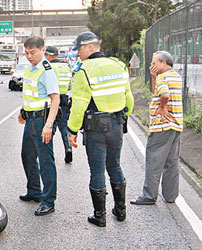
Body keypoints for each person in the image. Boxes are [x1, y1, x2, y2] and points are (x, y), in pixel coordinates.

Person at [68, 31, 134, 227]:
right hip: (116, 125)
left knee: (97, 170)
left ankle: (100, 216)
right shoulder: (119, 65)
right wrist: (122, 117)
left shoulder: (84, 70)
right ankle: (120, 211)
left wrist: (72, 131)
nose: (77, 54)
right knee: (114, 165)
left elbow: (79, 105)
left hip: (96, 129)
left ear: (89, 47)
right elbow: (128, 99)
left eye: (79, 49)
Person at [130, 51, 183, 205]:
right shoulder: (175, 76)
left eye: (154, 63)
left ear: (164, 63)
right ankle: (170, 195)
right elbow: (157, 93)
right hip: (176, 125)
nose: (151, 66)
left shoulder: (163, 77)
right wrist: (154, 78)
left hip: (162, 126)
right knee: (171, 162)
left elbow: (164, 95)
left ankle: (149, 195)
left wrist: (163, 107)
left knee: (154, 160)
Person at [18, 36, 60, 216]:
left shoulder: (46, 70)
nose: (29, 56)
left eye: (32, 52)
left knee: (45, 161)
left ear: (43, 50)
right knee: (27, 155)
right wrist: (22, 110)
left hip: (42, 121)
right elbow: (30, 94)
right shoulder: (29, 68)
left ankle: (48, 201)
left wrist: (49, 125)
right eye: (26, 53)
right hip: (30, 119)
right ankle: (34, 191)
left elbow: (55, 99)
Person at [45, 46, 73, 163]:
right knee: (64, 127)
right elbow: (70, 86)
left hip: (52, 100)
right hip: (64, 100)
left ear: (49, 56)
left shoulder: (48, 68)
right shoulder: (66, 67)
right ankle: (68, 148)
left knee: (50, 127)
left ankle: (48, 155)